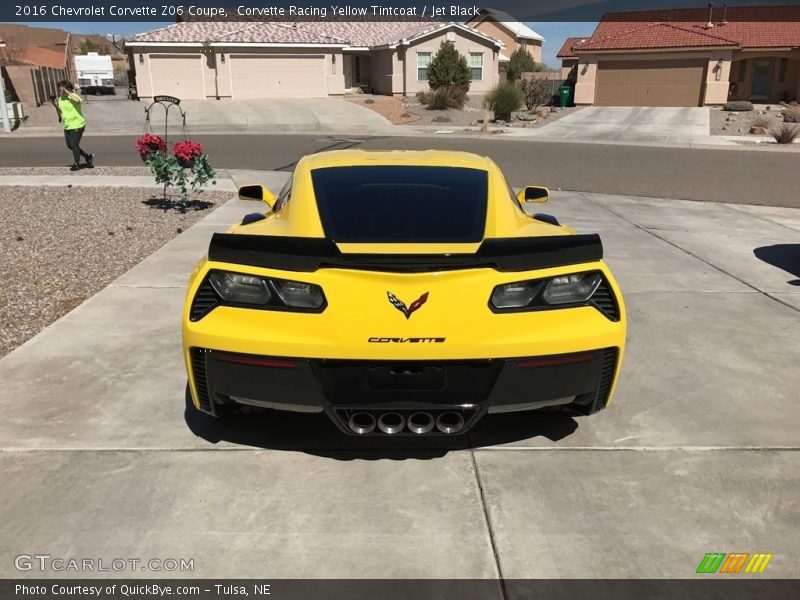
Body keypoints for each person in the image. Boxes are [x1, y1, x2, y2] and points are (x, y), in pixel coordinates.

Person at [54, 80, 93, 171]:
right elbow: (60, 111)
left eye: (62, 89)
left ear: (67, 88)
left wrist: (68, 93)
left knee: (75, 144)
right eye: (59, 90)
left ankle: (76, 163)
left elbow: (77, 101)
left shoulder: (74, 96)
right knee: (70, 145)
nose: (61, 92)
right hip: (67, 125)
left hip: (77, 124)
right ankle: (88, 157)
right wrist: (54, 103)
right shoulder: (60, 99)